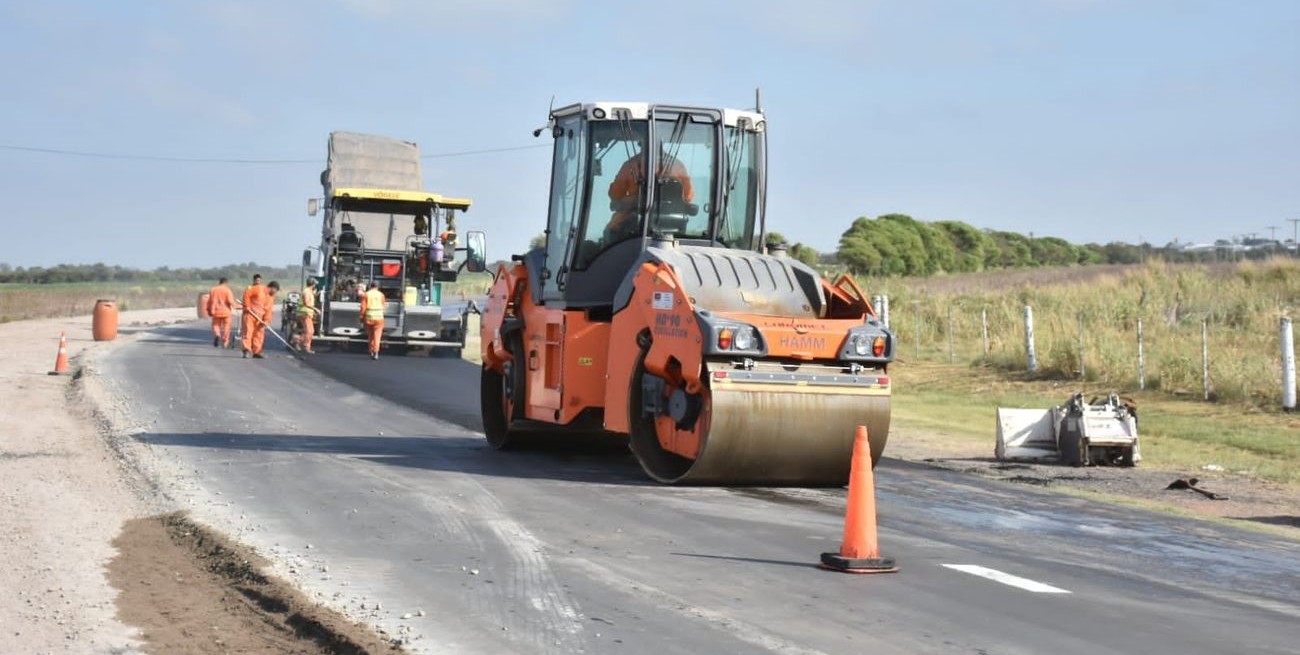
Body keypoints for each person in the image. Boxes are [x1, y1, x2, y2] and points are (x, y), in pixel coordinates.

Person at [606, 143, 694, 241]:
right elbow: (688, 196)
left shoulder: (630, 165)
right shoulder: (678, 165)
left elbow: (615, 194)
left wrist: (633, 200)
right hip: (673, 227)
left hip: (632, 226)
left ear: (641, 143)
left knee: (609, 232)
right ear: (662, 144)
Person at [292, 279, 321, 354]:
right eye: (315, 284)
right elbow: (307, 303)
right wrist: (316, 309)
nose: (315, 286)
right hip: (304, 313)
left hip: (307, 313)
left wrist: (316, 294)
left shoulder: (309, 291)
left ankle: (306, 347)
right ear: (312, 284)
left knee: (310, 331)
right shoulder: (307, 292)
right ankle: (297, 340)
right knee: (309, 331)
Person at [205, 277, 236, 348]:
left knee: (216, 325)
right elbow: (230, 301)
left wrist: (209, 310)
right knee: (227, 327)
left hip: (216, 311)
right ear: (226, 283)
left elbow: (210, 301)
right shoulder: (227, 290)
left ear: (219, 282)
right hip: (226, 312)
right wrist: (236, 306)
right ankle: (225, 342)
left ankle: (217, 334)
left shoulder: (213, 290)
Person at [359, 281, 385, 360]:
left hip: (369, 318)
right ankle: (376, 352)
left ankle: (371, 351)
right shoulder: (381, 295)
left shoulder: (366, 294)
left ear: (370, 286)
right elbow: (383, 305)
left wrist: (361, 317)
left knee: (370, 336)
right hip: (379, 318)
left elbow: (363, 307)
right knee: (377, 336)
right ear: (378, 287)